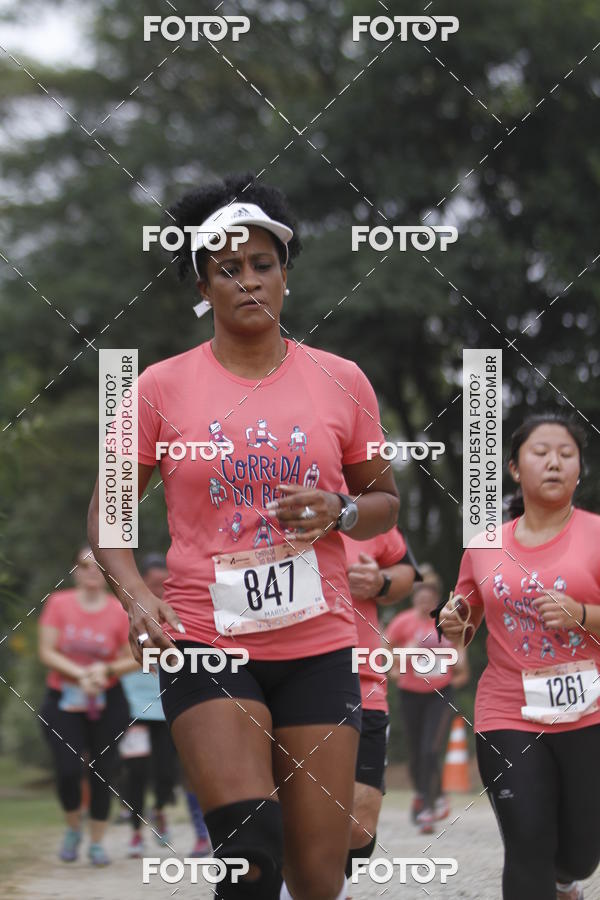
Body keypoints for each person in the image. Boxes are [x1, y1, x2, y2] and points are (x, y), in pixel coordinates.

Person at [87, 173, 400, 900]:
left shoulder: (342, 379)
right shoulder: (160, 388)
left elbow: (384, 502)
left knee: (319, 877)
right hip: (206, 639)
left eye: (263, 264)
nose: (249, 280)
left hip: (320, 644)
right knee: (251, 858)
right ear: (203, 285)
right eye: (228, 268)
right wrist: (135, 594)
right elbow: (110, 514)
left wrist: (341, 510)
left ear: (286, 275)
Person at [439, 414, 600, 900]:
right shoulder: (485, 544)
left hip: (590, 712)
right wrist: (453, 624)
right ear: (514, 468)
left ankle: (566, 880)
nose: (554, 462)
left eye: (566, 454)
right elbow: (465, 616)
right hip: (509, 711)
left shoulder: (596, 534)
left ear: (579, 470)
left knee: (581, 852)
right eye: (540, 452)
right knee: (528, 843)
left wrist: (581, 614)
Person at [38, 545, 136, 865]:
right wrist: (80, 674)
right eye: (84, 566)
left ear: (108, 573)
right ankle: (72, 828)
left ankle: (96, 843)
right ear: (74, 571)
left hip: (108, 701)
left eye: (98, 567)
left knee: (103, 771)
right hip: (63, 699)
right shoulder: (58, 603)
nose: (91, 572)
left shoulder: (119, 610)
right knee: (68, 770)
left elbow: (134, 657)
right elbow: (47, 651)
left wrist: (104, 671)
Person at [120, 553, 211, 857]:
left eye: (165, 582)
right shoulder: (129, 613)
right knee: (136, 772)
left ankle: (161, 810)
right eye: (154, 583)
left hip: (169, 705)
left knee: (167, 774)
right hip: (134, 709)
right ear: (142, 582)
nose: (160, 589)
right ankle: (135, 833)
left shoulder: (180, 610)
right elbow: (119, 654)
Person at [341, 526, 418, 878]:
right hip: (270, 675)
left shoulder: (364, 506)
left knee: (359, 829)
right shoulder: (248, 499)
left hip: (361, 680)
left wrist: (381, 581)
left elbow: (405, 572)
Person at [386, 569, 469, 833]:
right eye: (420, 597)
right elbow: (384, 654)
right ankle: (431, 794)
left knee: (430, 749)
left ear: (437, 601)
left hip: (440, 695)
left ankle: (426, 807)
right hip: (410, 695)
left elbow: (462, 667)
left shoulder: (448, 623)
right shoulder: (402, 623)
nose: (425, 602)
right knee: (415, 753)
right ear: (414, 599)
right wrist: (399, 663)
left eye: (430, 598)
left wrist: (451, 676)